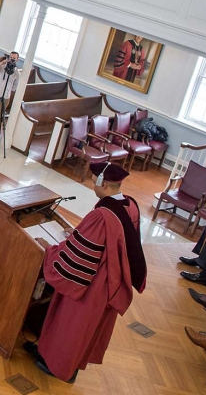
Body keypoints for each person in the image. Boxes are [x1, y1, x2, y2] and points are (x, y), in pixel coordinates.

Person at [28, 162, 146, 383]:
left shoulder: (103, 213)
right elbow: (108, 241)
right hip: (114, 278)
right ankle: (71, 365)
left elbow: (80, 255)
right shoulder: (131, 205)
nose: (93, 185)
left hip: (93, 281)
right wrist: (76, 234)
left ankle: (58, 367)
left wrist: (50, 250)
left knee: (73, 323)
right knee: (86, 329)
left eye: (94, 181)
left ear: (103, 183)